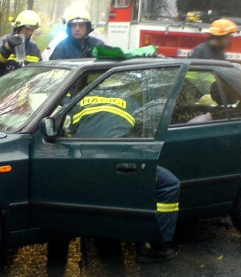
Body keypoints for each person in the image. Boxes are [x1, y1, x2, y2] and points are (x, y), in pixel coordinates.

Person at [68, 75, 180, 263]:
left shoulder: (82, 100)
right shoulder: (131, 101)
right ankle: (154, 246)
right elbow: (143, 131)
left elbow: (70, 130)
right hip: (116, 159)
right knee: (169, 184)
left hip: (84, 160)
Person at [0, 10, 42, 83]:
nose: (30, 32)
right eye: (27, 28)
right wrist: (7, 47)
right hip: (3, 87)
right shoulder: (3, 41)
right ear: (18, 27)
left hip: (24, 88)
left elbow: (39, 72)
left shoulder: (34, 48)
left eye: (32, 30)